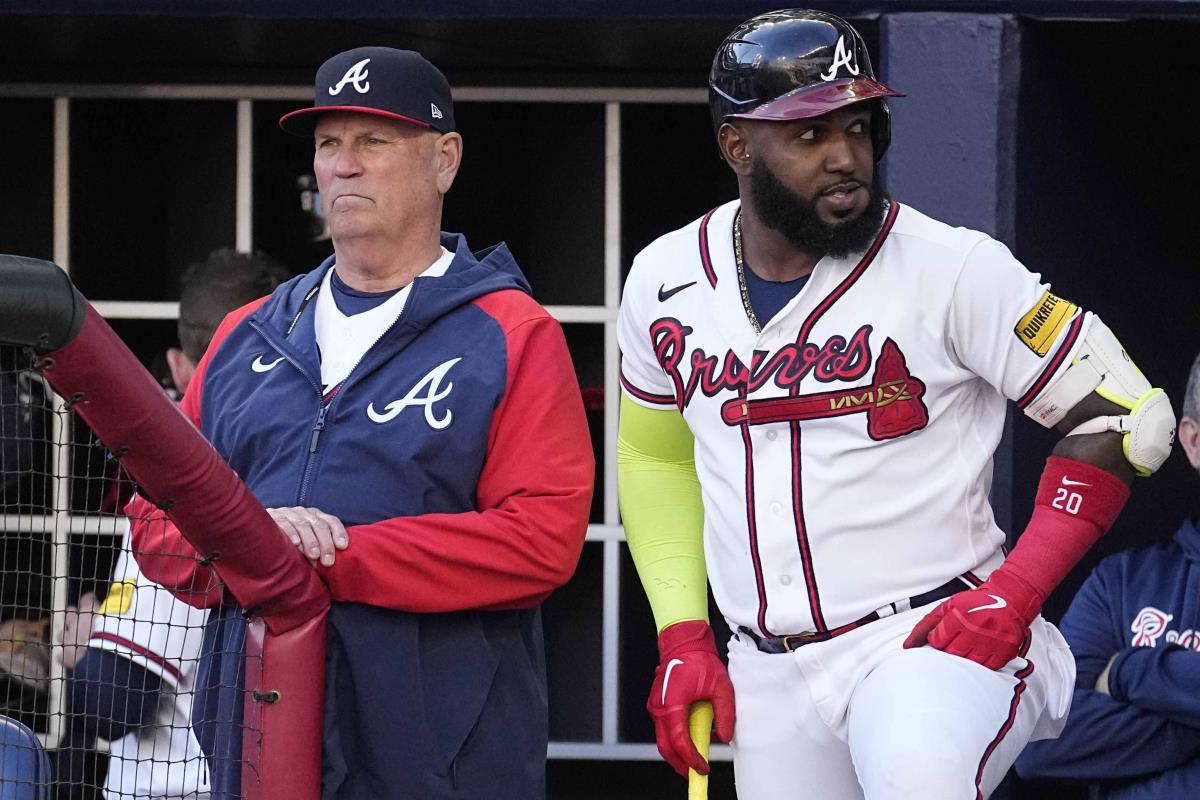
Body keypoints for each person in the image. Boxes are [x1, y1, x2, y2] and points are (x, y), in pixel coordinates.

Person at [615, 9, 1176, 800]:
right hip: (768, 666)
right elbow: (655, 453)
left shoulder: (953, 268)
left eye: (859, 125)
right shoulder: (662, 278)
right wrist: (682, 635)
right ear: (738, 146)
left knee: (918, 778)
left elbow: (1129, 416)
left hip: (928, 637)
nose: (846, 156)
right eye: (810, 134)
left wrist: (1015, 597)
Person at [124, 47, 594, 799]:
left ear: (444, 160)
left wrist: (331, 558)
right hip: (257, 742)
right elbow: (151, 517)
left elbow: (541, 541)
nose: (342, 166)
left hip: (443, 758)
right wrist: (253, 544)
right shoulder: (247, 332)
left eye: (373, 141)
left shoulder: (511, 330)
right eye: (328, 143)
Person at [53, 249, 289, 800]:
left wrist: (76, 651)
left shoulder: (185, 486)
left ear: (181, 367)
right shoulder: (303, 468)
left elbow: (114, 703)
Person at [1015, 355, 1200, 798]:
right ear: (1193, 443)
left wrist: (1130, 674)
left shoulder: (1130, 665)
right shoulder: (1122, 582)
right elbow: (1039, 745)